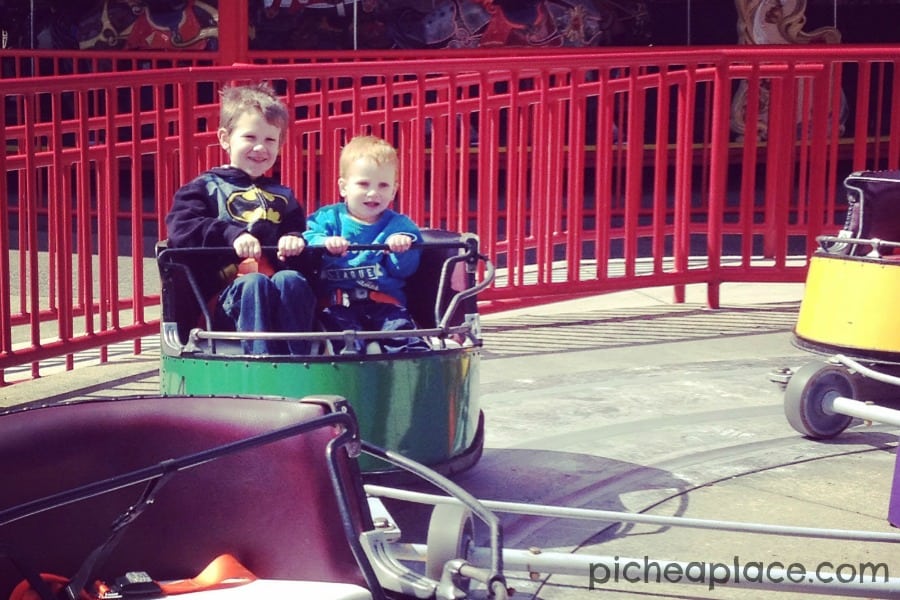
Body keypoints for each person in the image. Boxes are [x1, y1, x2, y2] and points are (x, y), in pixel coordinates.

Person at [165, 82, 315, 355]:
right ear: (225, 138)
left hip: (276, 286)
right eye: (250, 137)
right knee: (254, 283)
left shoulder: (284, 196)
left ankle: (298, 361)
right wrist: (232, 235)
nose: (260, 148)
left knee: (291, 280)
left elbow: (298, 232)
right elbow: (181, 230)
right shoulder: (202, 189)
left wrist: (294, 241)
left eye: (270, 140)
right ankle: (259, 362)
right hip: (224, 297)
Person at [304, 135, 429, 354]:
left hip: (386, 305)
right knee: (340, 341)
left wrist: (400, 249)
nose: (373, 193)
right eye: (363, 184)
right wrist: (323, 242)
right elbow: (306, 239)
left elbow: (404, 271)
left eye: (383, 185)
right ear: (344, 187)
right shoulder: (327, 218)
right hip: (338, 306)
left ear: (393, 190)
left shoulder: (400, 225)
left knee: (405, 338)